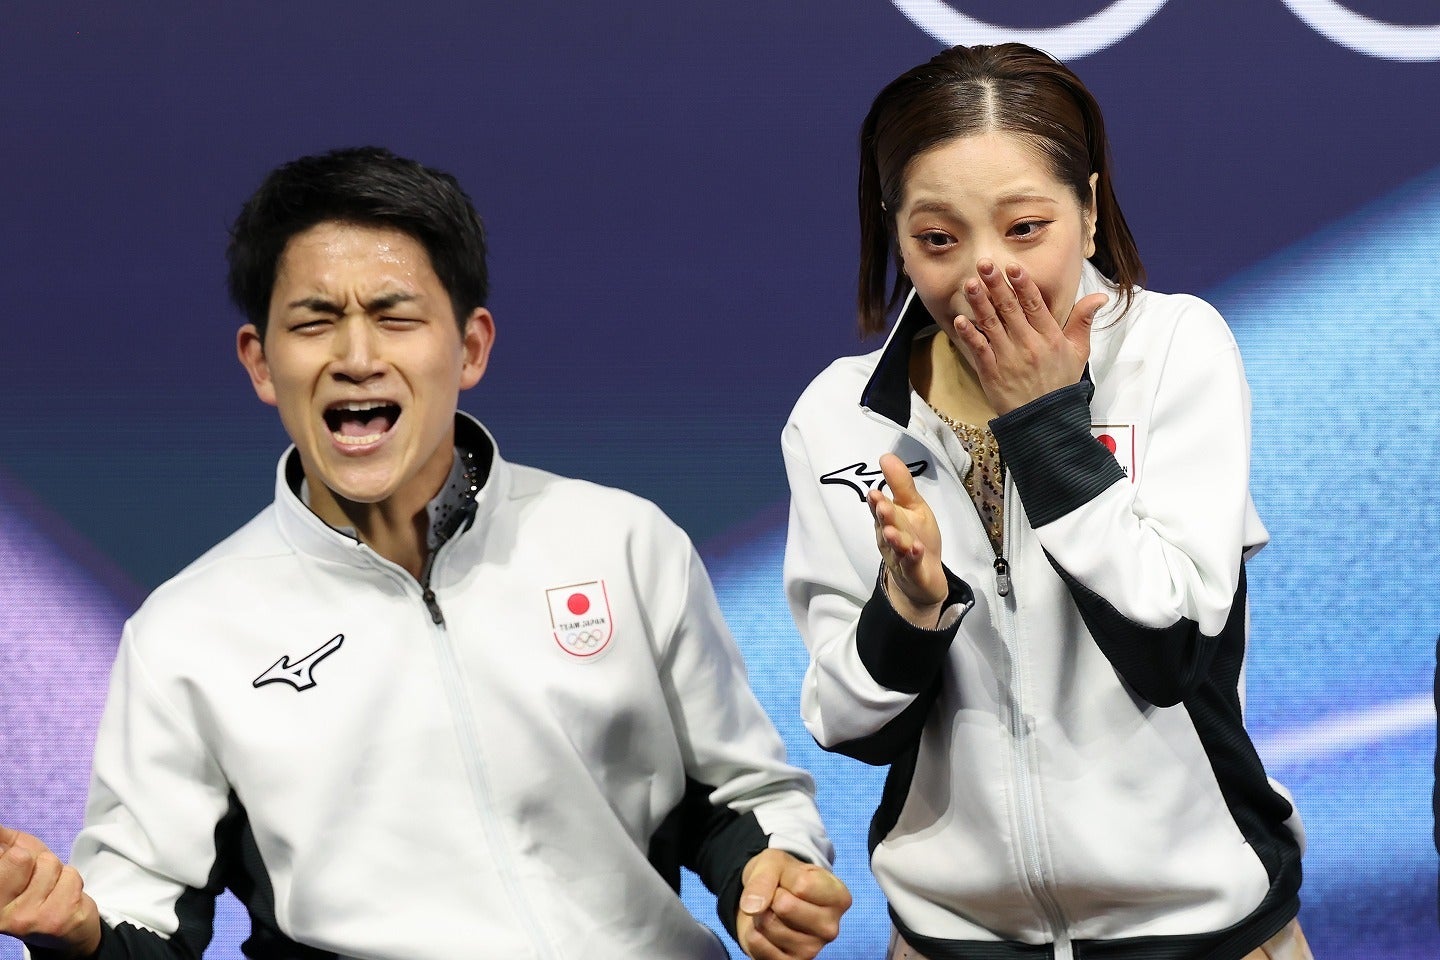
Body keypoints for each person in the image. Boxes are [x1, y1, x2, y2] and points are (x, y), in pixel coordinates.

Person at [0, 146, 850, 960]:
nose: (357, 357)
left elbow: (735, 797)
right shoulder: (185, 635)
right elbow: (141, 919)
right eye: (315, 321)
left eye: (394, 314)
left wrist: (771, 873)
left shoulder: (623, 541)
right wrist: (76, 934)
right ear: (261, 363)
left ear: (470, 347)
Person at [781, 44, 1309, 960]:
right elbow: (845, 725)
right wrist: (907, 612)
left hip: (1201, 936)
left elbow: (1171, 651)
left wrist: (1043, 424)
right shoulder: (836, 415)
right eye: (938, 240)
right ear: (893, 230)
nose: (987, 274)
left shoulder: (1178, 350)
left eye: (1025, 228)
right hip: (952, 939)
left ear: (1092, 210)